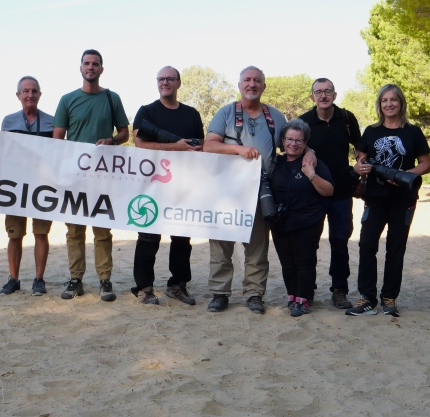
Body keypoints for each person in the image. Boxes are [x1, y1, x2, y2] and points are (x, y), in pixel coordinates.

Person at [203, 65, 301, 315]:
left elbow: (292, 143)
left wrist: (309, 154)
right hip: (226, 189)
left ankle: (254, 294)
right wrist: (238, 149)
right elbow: (209, 146)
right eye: (247, 79)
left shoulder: (276, 117)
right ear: (239, 85)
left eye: (257, 80)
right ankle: (220, 293)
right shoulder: (226, 113)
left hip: (261, 190)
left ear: (264, 86)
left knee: (257, 245)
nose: (252, 84)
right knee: (221, 243)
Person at [346, 84, 430, 317]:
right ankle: (367, 298)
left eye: (394, 99)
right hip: (375, 197)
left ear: (401, 103)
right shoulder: (371, 132)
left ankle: (389, 298)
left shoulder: (413, 131)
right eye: (385, 100)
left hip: (403, 199)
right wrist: (358, 167)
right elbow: (361, 161)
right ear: (379, 104)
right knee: (367, 246)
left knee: (396, 249)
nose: (389, 104)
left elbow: (426, 164)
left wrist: (405, 176)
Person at [52, 49, 129, 302]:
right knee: (74, 231)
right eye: (87, 63)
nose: (91, 67)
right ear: (81, 67)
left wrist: (112, 141)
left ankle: (105, 280)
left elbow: (124, 134)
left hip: (104, 176)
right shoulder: (67, 100)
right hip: (74, 177)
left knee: (103, 230)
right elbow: (57, 139)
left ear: (101, 69)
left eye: (95, 63)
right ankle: (76, 280)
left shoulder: (111, 98)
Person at [130, 66, 205, 305]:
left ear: (178, 83)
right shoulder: (147, 111)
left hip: (183, 185)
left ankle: (178, 285)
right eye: (161, 79)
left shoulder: (192, 114)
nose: (165, 82)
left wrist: (190, 147)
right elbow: (140, 144)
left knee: (182, 238)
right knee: (148, 238)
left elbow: (200, 145)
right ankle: (144, 288)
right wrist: (176, 146)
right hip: (152, 185)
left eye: (170, 79)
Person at [299, 77, 361, 310]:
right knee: (309, 242)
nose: (323, 96)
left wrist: (359, 167)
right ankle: (307, 290)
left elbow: (360, 147)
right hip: (312, 192)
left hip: (342, 192)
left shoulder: (346, 118)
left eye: (328, 91)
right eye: (318, 92)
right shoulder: (303, 121)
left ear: (335, 95)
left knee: (339, 242)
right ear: (312, 96)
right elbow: (291, 147)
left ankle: (339, 290)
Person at [0, 76, 54, 296]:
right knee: (15, 234)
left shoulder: (51, 121)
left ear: (39, 94)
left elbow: (58, 153)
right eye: (25, 91)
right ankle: (14, 279)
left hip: (43, 186)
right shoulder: (8, 121)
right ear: (18, 95)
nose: (30, 95)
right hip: (16, 187)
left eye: (34, 91)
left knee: (41, 233)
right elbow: (6, 153)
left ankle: (39, 279)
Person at [269, 119, 334, 317]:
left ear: (305, 142)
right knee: (287, 263)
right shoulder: (275, 162)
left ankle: (304, 300)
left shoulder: (311, 163)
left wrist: (312, 175)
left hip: (307, 221)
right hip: (280, 222)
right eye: (289, 139)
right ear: (282, 140)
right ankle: (292, 296)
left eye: (299, 140)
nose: (293, 144)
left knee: (304, 262)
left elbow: (329, 191)